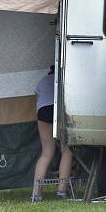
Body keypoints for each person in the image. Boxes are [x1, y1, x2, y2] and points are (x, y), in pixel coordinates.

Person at [30, 65, 72, 202]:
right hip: (61, 109)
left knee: (47, 153)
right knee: (66, 150)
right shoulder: (67, 78)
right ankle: (61, 191)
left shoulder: (43, 80)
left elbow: (38, 97)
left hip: (43, 111)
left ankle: (36, 194)